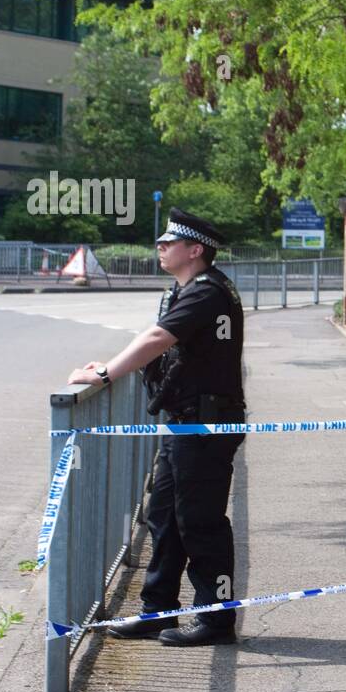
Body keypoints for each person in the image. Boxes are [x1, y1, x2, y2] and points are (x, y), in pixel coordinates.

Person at [66, 209, 246, 646]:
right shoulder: (188, 289)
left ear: (195, 250)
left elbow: (157, 340)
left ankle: (216, 619)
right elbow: (157, 340)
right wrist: (109, 366)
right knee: (165, 515)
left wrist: (108, 373)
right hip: (185, 422)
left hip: (205, 424)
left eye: (169, 243)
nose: (160, 248)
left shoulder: (207, 293)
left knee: (199, 521)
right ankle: (157, 610)